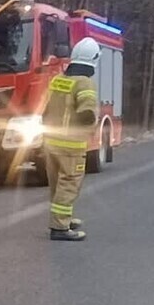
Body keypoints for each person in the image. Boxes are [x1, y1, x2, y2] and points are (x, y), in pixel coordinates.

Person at [42, 37, 102, 241]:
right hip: (71, 145)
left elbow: (46, 110)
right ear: (93, 60)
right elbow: (87, 111)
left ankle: (61, 219)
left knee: (56, 184)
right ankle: (60, 228)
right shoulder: (85, 83)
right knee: (69, 184)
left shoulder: (58, 79)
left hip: (51, 141)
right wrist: (90, 125)